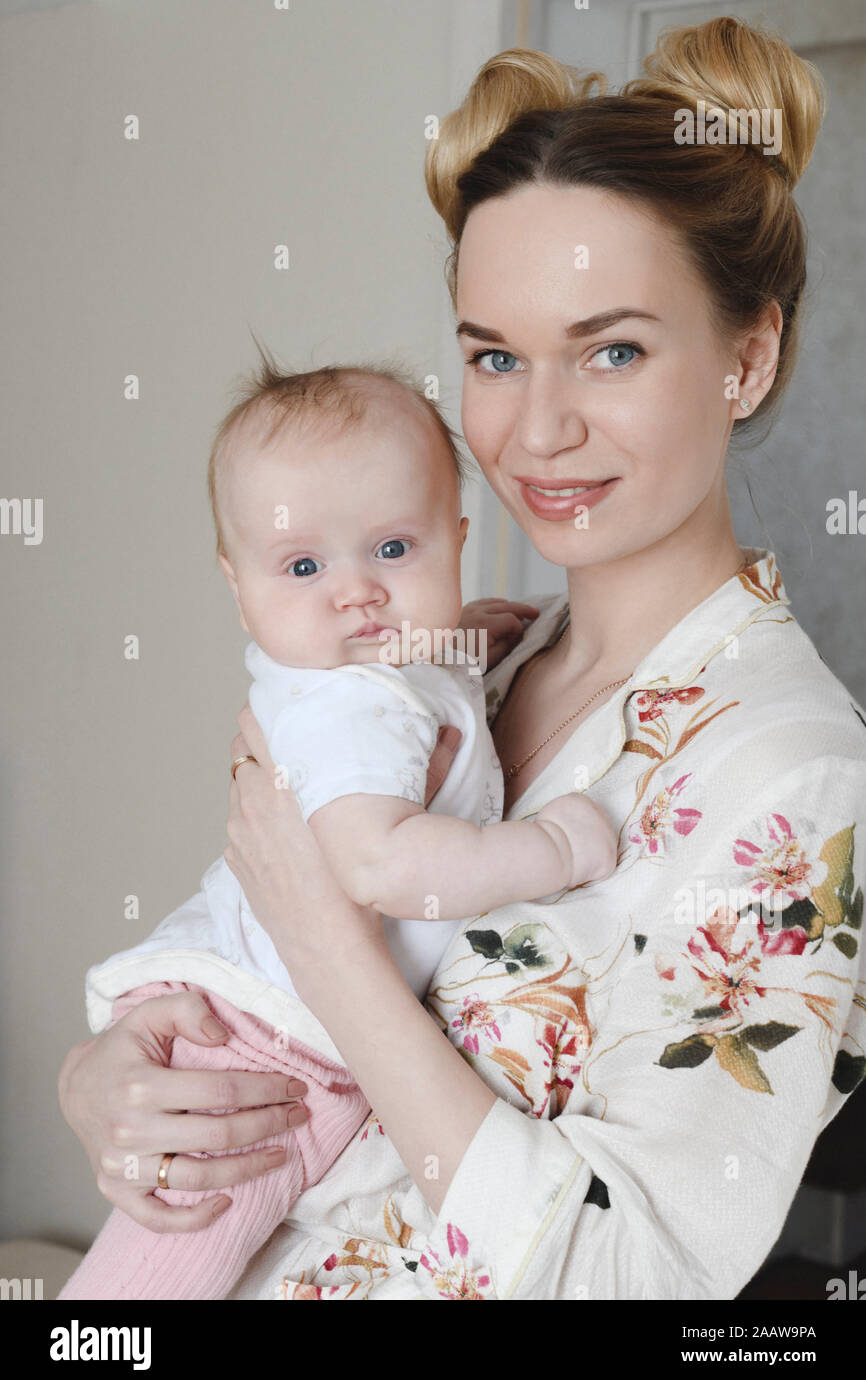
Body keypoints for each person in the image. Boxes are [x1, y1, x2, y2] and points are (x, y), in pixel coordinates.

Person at [59, 16, 866, 1299]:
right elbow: (251, 944)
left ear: (747, 355)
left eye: (612, 349)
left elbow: (630, 1275)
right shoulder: (458, 661)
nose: (535, 428)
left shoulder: (796, 778)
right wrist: (118, 1075)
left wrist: (326, 950)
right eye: (494, 354)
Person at [57, 359, 614, 1300]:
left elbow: (407, 681)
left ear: (458, 540)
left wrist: (456, 639)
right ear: (238, 586)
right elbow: (380, 862)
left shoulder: (384, 667)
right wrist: (550, 850)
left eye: (395, 550)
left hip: (252, 1009)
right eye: (305, 566)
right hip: (258, 1053)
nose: (357, 593)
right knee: (154, 1278)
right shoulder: (353, 707)